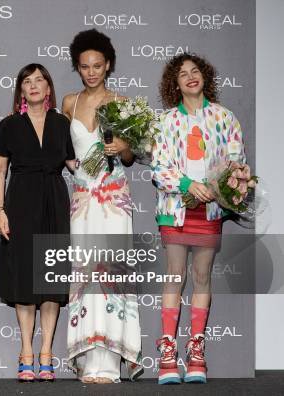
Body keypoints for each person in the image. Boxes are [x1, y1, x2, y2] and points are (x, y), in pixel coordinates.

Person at [151, 53, 245, 385]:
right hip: (175, 208)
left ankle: (196, 353)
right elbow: (159, 169)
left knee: (202, 276)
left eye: (195, 71)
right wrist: (189, 185)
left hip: (211, 211)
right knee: (175, 275)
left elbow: (237, 166)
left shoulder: (225, 118)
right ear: (174, 84)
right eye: (182, 74)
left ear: (204, 76)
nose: (190, 76)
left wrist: (227, 185)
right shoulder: (164, 122)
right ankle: (166, 355)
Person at [62, 29, 143, 384]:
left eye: (97, 65)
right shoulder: (69, 103)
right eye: (84, 66)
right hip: (83, 199)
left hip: (113, 198)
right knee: (85, 273)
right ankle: (85, 360)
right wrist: (73, 166)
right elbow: (63, 150)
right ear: (77, 68)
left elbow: (128, 156)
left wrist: (121, 147)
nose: (91, 71)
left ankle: (110, 363)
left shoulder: (121, 103)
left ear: (108, 64)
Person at [0, 64, 76, 382]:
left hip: (55, 201)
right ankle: (26, 350)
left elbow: (74, 164)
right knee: (25, 282)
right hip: (21, 202)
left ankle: (46, 353)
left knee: (51, 282)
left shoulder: (61, 123)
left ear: (48, 87)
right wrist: (0, 209)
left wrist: (105, 156)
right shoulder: (10, 125)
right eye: (27, 81)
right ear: (21, 91)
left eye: (39, 79)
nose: (34, 85)